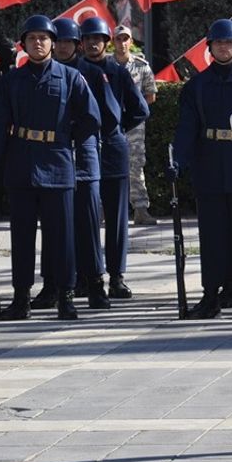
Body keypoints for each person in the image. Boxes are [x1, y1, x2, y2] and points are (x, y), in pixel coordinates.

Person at [0, 16, 100, 320]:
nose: (38, 43)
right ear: (23, 43)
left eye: (44, 38)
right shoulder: (12, 80)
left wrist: (66, 138)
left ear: (52, 42)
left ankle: (66, 296)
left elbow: (91, 118)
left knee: (61, 237)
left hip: (58, 164)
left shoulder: (70, 77)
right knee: (21, 237)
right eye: (32, 38)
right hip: (21, 163)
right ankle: (21, 299)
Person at [171, 18, 232, 320]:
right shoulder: (197, 86)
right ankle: (211, 294)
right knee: (212, 237)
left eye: (229, 42)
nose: (224, 47)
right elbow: (188, 127)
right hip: (209, 165)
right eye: (218, 42)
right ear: (209, 46)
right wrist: (178, 160)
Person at [41, 16, 111, 312]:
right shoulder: (44, 72)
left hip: (83, 158)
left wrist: (77, 133)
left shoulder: (92, 74)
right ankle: (52, 284)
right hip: (54, 161)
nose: (62, 47)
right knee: (54, 228)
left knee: (87, 225)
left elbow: (107, 116)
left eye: (68, 42)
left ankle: (95, 284)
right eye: (58, 42)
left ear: (77, 44)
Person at [81, 17, 150, 303]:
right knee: (86, 217)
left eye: (98, 38)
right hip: (84, 148)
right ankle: (87, 275)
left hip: (112, 148)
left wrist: (118, 127)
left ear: (106, 42)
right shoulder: (75, 70)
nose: (93, 43)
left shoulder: (118, 71)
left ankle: (117, 276)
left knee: (117, 218)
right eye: (88, 38)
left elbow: (140, 109)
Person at [114, 25, 158, 226]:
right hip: (110, 123)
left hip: (134, 126)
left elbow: (150, 95)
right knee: (103, 162)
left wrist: (135, 112)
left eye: (125, 39)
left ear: (131, 42)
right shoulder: (106, 65)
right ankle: (102, 210)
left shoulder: (142, 66)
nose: (122, 43)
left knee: (136, 164)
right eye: (118, 39)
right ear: (112, 42)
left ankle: (140, 209)